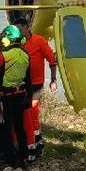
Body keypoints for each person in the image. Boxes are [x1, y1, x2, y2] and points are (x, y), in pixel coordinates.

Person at [0, 25, 31, 169]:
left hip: (7, 96)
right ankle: (24, 157)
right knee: (19, 127)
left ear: (6, 39)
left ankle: (10, 160)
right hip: (21, 95)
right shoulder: (25, 54)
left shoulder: (3, 56)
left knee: (6, 128)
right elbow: (28, 77)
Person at [15, 19, 57, 160]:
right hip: (21, 85)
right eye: (16, 30)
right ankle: (33, 141)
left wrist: (53, 79)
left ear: (27, 27)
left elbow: (52, 60)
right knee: (24, 115)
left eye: (20, 29)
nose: (18, 33)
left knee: (33, 113)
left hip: (36, 84)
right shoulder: (17, 44)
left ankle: (37, 142)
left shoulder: (39, 41)